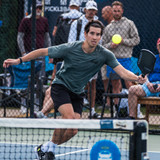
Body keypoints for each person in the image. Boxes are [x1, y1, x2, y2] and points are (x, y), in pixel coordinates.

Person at [3, 20, 146, 159]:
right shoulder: (71, 47)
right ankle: (50, 152)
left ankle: (45, 147)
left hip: (77, 92)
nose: (95, 37)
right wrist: (19, 60)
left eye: (98, 34)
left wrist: (136, 78)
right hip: (61, 87)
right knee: (69, 118)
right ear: (85, 33)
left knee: (73, 130)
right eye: (92, 33)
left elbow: (122, 72)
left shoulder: (105, 54)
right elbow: (42, 51)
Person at [35, 0, 83, 118]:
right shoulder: (63, 18)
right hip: (62, 82)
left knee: (56, 90)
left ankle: (43, 112)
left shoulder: (78, 21)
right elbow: (55, 33)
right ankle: (43, 114)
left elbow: (54, 32)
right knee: (49, 91)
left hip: (73, 89)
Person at [102, 1, 140, 107]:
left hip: (125, 59)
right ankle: (117, 109)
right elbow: (103, 45)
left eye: (119, 11)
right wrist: (111, 45)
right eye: (115, 11)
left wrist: (123, 41)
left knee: (129, 84)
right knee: (115, 85)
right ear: (112, 11)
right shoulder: (108, 28)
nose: (117, 13)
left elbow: (136, 40)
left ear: (122, 11)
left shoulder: (129, 23)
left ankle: (134, 109)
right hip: (112, 59)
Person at [17, 2, 51, 113]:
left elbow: (47, 37)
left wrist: (49, 51)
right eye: (37, 7)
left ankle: (36, 105)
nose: (39, 9)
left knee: (39, 81)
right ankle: (23, 104)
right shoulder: (26, 20)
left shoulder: (44, 20)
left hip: (40, 56)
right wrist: (23, 53)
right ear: (33, 8)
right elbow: (20, 37)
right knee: (26, 80)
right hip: (28, 55)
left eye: (40, 8)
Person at [68, 0, 100, 118]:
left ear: (95, 11)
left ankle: (92, 110)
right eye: (89, 9)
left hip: (93, 58)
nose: (91, 12)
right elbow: (70, 42)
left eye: (93, 10)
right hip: (78, 58)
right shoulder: (77, 23)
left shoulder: (99, 24)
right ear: (85, 10)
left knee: (93, 84)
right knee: (77, 84)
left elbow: (99, 42)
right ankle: (73, 110)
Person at [128, 39, 160, 118]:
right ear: (157, 46)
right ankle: (132, 121)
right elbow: (145, 74)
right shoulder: (153, 59)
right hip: (150, 85)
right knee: (132, 89)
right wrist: (148, 84)